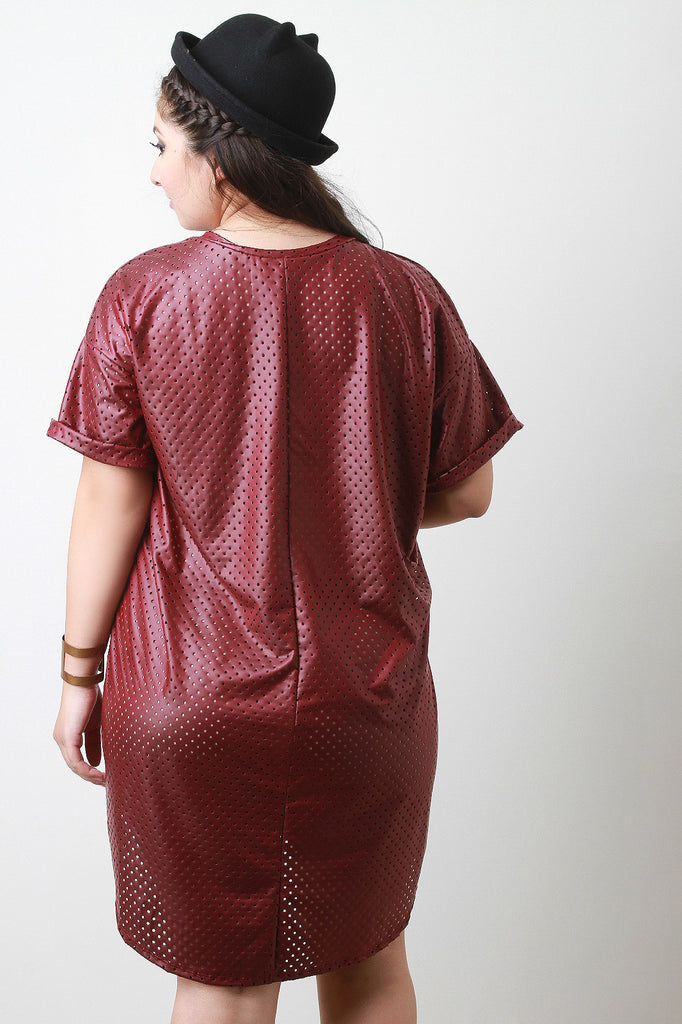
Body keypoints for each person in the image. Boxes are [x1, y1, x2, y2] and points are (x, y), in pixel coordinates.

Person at [48, 13, 523, 1024]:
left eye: (161, 146)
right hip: (366, 695)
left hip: (187, 695)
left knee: (220, 984)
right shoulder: (404, 296)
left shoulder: (143, 296)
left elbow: (108, 499)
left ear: (218, 152)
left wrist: (78, 675)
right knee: (369, 963)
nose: (154, 172)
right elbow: (469, 488)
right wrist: (349, 509)